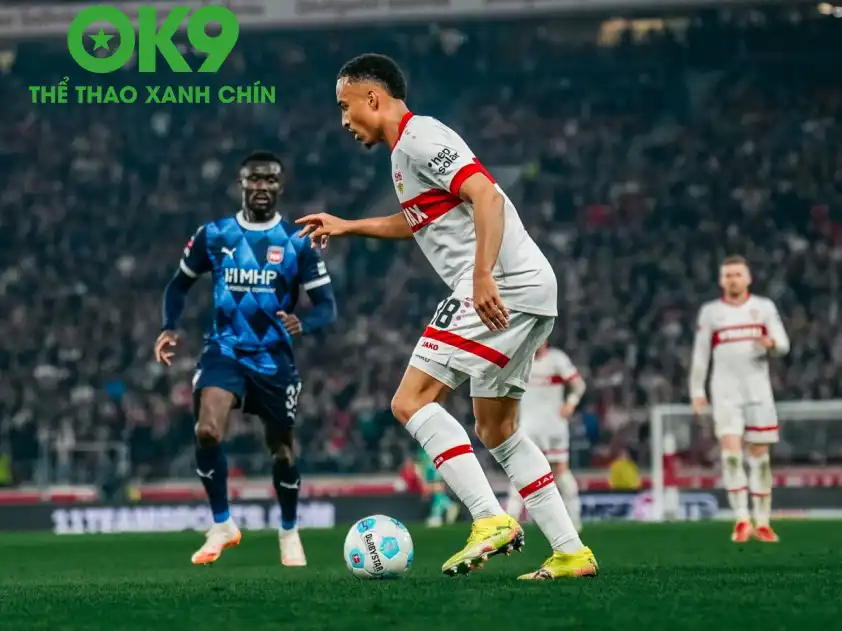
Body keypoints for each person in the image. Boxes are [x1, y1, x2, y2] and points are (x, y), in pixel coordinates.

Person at [297, 53, 597, 580]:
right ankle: (571, 551)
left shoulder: (420, 137)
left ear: (373, 97)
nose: (342, 120)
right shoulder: (403, 155)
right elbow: (417, 220)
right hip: (527, 288)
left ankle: (489, 519)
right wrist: (349, 225)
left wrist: (482, 276)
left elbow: (486, 195)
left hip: (501, 284)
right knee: (497, 429)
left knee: (410, 401)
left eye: (345, 106)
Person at [154, 151, 337, 566]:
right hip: (225, 351)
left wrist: (305, 323)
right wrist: (169, 326)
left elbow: (327, 305)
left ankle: (288, 531)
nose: (262, 187)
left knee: (282, 452)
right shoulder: (215, 235)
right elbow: (178, 285)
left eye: (270, 180)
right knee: (206, 431)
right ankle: (222, 524)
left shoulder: (297, 241)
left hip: (274, 359)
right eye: (254, 179)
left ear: (281, 187)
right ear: (241, 184)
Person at [690, 255, 789, 543]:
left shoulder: (764, 307)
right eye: (728, 275)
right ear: (721, 280)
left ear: (748, 278)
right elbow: (700, 354)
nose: (733, 279)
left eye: (737, 274)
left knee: (760, 458)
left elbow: (784, 344)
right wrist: (697, 391)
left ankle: (763, 521)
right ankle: (742, 519)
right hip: (725, 392)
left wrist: (771, 344)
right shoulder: (711, 312)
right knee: (731, 453)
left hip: (758, 391)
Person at [507, 341, 586, 532]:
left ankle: (575, 520)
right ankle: (510, 523)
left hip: (553, 427)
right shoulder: (520, 359)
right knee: (520, 472)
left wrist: (571, 403)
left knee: (561, 471)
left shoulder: (557, 359)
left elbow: (579, 385)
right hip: (528, 427)